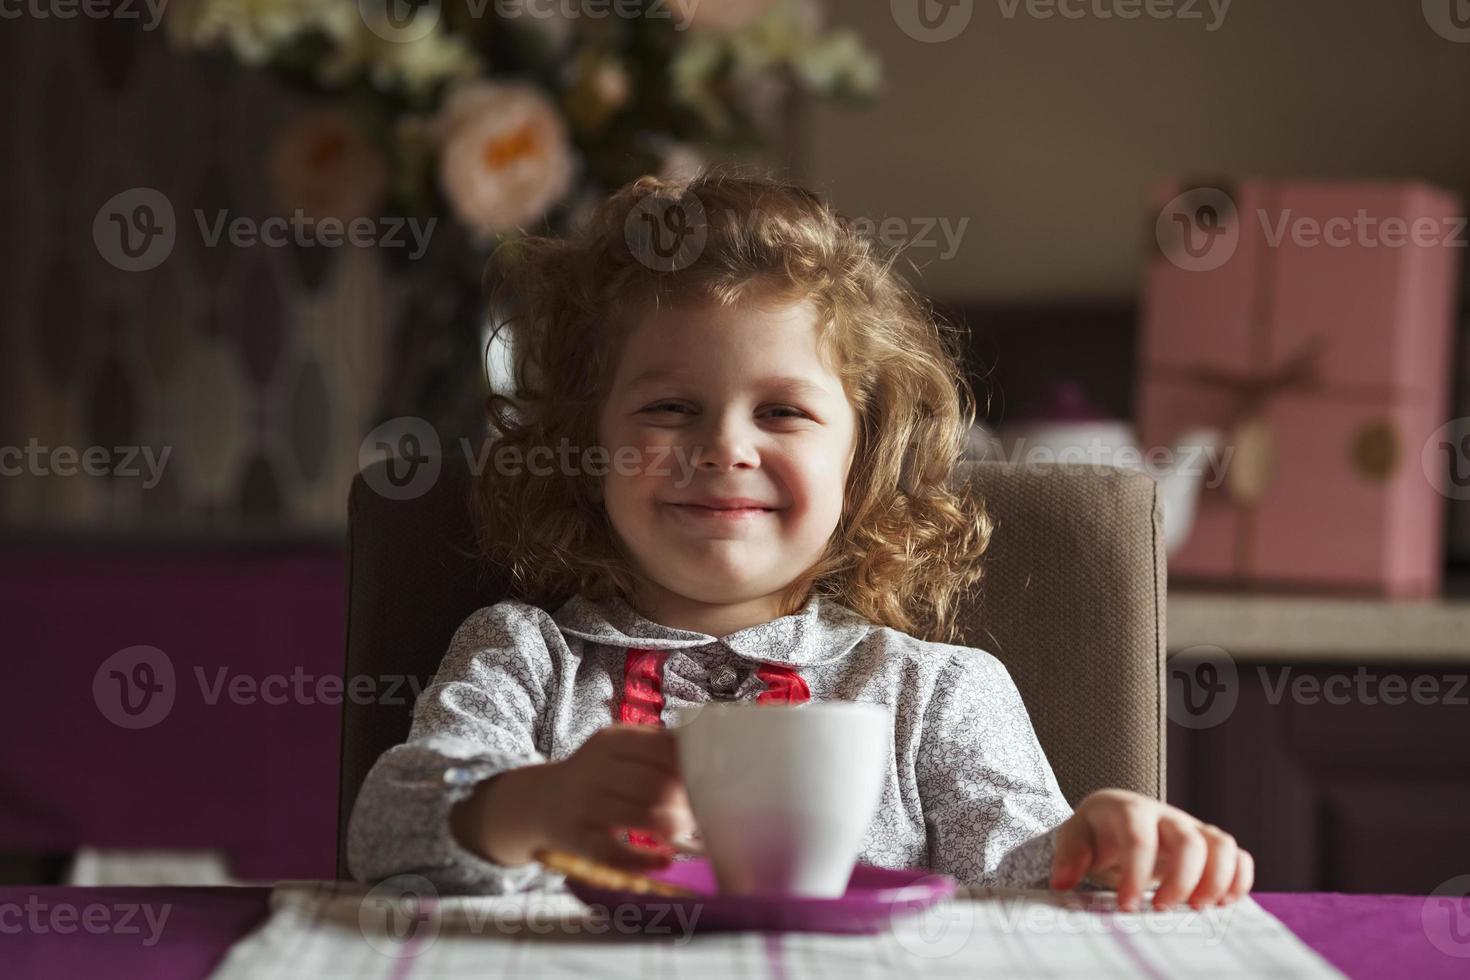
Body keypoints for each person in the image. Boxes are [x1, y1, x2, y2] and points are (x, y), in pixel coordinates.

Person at [347, 169, 1253, 912]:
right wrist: (527, 807)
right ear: (588, 449)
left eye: (782, 411)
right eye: (670, 409)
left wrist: (1104, 841)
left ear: (861, 460)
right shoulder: (526, 658)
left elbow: (1025, 871)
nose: (725, 447)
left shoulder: (932, 693)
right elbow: (384, 832)